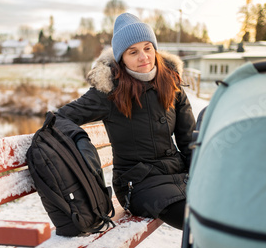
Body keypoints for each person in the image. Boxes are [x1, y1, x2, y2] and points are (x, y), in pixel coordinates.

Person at [54, 13, 196, 230]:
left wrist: (202, 173)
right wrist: (82, 144)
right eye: (133, 52)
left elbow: (188, 139)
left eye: (148, 48)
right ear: (121, 58)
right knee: (198, 222)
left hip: (177, 175)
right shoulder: (109, 92)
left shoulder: (171, 83)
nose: (143, 57)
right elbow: (59, 119)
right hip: (138, 185)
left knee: (222, 208)